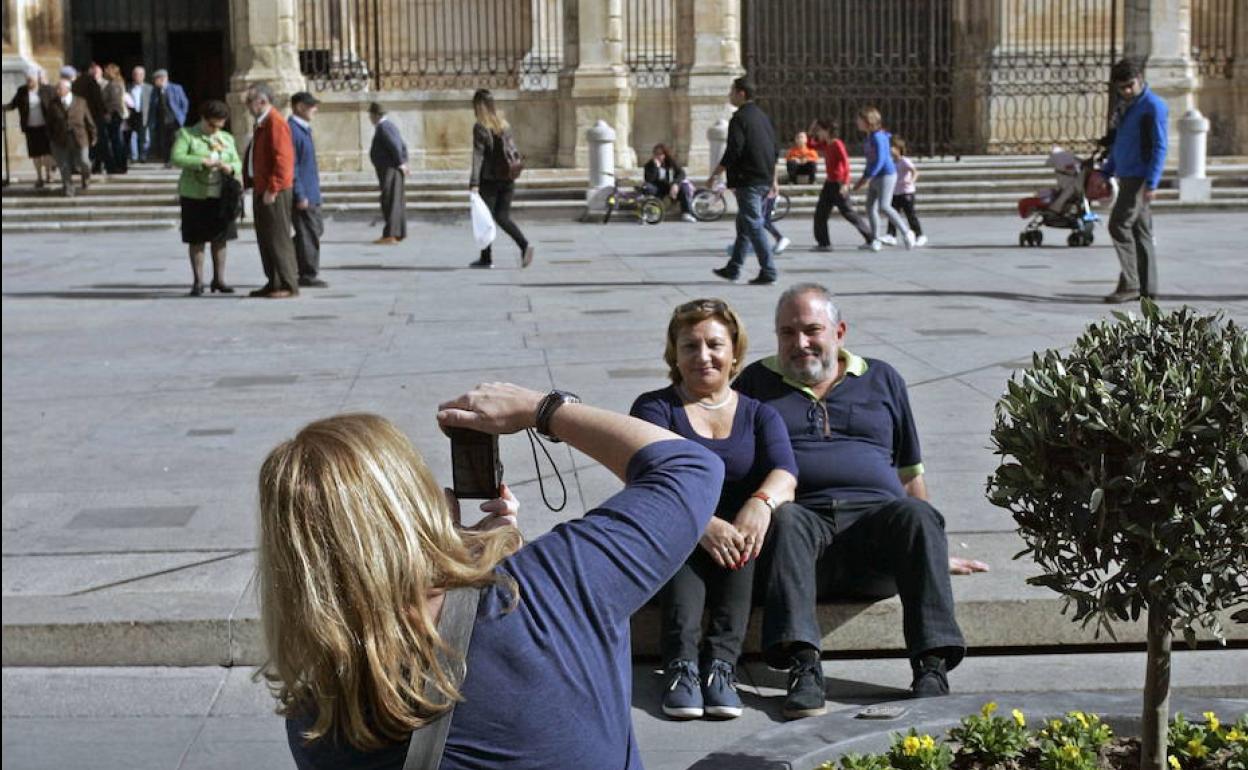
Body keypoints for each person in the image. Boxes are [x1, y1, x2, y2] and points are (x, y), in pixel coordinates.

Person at [258, 384, 723, 768]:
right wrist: (543, 409)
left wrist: (472, 564)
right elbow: (689, 468)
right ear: (414, 506)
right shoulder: (551, 589)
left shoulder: (316, 711)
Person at [733, 283, 971, 719]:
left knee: (919, 515)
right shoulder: (754, 383)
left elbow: (910, 473)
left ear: (839, 332)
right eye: (787, 333)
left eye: (811, 330)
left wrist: (934, 547)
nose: (800, 343)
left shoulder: (882, 378)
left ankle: (931, 668)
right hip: (800, 544)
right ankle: (804, 667)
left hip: (876, 540)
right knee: (786, 519)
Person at [631, 299, 797, 720]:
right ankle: (681, 666)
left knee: (745, 536)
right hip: (676, 527)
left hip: (738, 546)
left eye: (714, 345)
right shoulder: (655, 408)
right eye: (690, 346)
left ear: (735, 352)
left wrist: (759, 504)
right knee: (684, 534)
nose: (703, 356)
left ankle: (721, 665)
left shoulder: (759, 413)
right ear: (675, 354)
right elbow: (651, 479)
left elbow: (786, 471)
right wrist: (701, 523)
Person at [1101, 58, 1167, 304]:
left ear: (1140, 79)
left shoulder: (1153, 106)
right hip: (1126, 173)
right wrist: (1107, 171)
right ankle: (1148, 287)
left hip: (1138, 178)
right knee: (1141, 231)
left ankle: (1131, 282)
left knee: (1118, 225)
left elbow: (1160, 146)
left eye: (1130, 85)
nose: (1127, 91)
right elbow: (1121, 143)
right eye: (1122, 87)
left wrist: (1152, 182)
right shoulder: (1128, 106)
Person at [710, 77, 782, 286]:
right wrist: (774, 179)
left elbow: (734, 150)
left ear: (741, 93)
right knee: (744, 224)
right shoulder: (763, 117)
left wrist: (716, 173)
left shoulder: (739, 118)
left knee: (753, 224)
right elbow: (774, 151)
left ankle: (768, 270)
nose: (730, 95)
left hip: (748, 180)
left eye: (732, 91)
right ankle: (734, 268)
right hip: (763, 178)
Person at [171, 99, 242, 296]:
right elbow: (177, 157)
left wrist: (231, 167)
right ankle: (198, 281)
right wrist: (201, 161)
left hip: (221, 194)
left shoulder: (226, 138)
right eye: (211, 125)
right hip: (195, 194)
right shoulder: (187, 134)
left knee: (221, 238)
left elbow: (237, 161)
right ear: (203, 119)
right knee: (197, 238)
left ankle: (219, 279)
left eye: (219, 126)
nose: (214, 130)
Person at [242, 82, 299, 299]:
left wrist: (273, 188)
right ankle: (273, 280)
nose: (247, 105)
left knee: (277, 237)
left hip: (273, 190)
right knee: (265, 237)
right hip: (261, 187)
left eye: (249, 101)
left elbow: (283, 160)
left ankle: (288, 283)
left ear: (262, 101)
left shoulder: (276, 123)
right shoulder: (262, 123)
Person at [468, 89, 533, 268]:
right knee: (502, 216)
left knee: (485, 219)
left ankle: (486, 258)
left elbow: (478, 156)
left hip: (489, 180)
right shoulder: (504, 124)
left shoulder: (480, 127)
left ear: (478, 106)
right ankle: (524, 245)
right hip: (508, 177)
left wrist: (474, 182)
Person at [851, 106, 914, 252]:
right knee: (870, 206)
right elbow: (870, 160)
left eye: (859, 120)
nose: (857, 122)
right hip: (875, 175)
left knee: (884, 206)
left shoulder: (879, 137)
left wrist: (869, 176)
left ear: (868, 121)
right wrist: (864, 177)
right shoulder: (869, 137)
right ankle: (875, 239)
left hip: (886, 174)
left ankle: (907, 232)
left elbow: (881, 159)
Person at [807, 118, 873, 252]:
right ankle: (824, 243)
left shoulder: (838, 144)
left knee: (848, 213)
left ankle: (871, 238)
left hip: (838, 184)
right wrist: (810, 131)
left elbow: (846, 163)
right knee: (820, 214)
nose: (818, 133)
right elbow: (810, 145)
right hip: (829, 183)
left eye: (819, 130)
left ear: (827, 131)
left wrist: (846, 183)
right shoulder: (827, 144)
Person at [289, 91, 327, 288]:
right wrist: (300, 194)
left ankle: (289, 260)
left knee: (315, 230)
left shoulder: (303, 129)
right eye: (311, 106)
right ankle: (307, 273)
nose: (315, 110)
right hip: (304, 193)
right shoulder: (292, 129)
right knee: (308, 232)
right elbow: (292, 165)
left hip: (312, 191)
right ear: (299, 107)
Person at [5, 66, 55, 189]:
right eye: (27, 80)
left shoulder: (47, 90)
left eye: (31, 80)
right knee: (35, 154)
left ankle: (49, 173)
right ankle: (39, 177)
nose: (29, 83)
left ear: (37, 79)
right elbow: (13, 104)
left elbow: (55, 104)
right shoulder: (22, 91)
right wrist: (3, 107)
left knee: (48, 153)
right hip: (31, 128)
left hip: (45, 127)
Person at [45, 77, 96, 197]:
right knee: (64, 165)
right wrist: (51, 138)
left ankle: (86, 176)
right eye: (57, 88)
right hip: (60, 139)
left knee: (84, 162)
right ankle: (68, 188)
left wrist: (93, 135)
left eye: (59, 88)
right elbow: (49, 123)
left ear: (68, 89)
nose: (57, 90)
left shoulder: (80, 101)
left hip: (79, 137)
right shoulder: (53, 104)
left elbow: (89, 120)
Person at [368, 102, 408, 245]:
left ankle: (390, 235)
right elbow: (402, 145)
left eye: (370, 115)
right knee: (395, 200)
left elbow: (395, 146)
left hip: (390, 170)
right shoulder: (388, 126)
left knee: (389, 200)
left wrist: (400, 163)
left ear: (375, 115)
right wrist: (403, 162)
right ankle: (398, 232)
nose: (370, 118)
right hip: (392, 168)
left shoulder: (384, 128)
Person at [883, 136, 926, 247]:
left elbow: (915, 172)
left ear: (898, 149)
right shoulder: (891, 162)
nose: (890, 149)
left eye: (893, 147)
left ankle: (920, 235)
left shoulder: (905, 161)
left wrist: (911, 181)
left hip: (906, 193)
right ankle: (891, 235)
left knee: (910, 215)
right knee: (893, 215)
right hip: (895, 192)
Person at [642, 143, 696, 223]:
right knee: (648, 188)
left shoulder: (671, 162)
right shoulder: (649, 165)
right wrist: (656, 167)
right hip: (658, 187)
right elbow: (649, 179)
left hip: (671, 186)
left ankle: (686, 213)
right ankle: (653, 211)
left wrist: (675, 184)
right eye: (655, 154)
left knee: (684, 188)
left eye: (660, 154)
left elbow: (681, 173)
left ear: (665, 155)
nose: (658, 156)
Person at [72, 62, 110, 174]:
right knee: (99, 141)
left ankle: (80, 165)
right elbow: (97, 99)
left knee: (83, 142)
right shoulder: (91, 82)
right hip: (94, 115)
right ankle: (99, 165)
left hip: (80, 115)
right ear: (89, 70)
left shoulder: (76, 83)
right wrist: (104, 112)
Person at [150, 69, 189, 165]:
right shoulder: (155, 91)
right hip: (162, 120)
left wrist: (182, 115)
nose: (154, 82)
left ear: (163, 79)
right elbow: (153, 106)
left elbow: (184, 103)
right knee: (165, 140)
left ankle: (175, 159)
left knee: (174, 139)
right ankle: (167, 160)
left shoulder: (176, 88)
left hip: (174, 119)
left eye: (156, 79)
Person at [100, 63, 129, 174]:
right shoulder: (112, 83)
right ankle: (119, 165)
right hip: (114, 114)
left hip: (115, 115)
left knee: (117, 141)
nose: (105, 72)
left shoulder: (115, 84)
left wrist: (109, 112)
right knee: (115, 140)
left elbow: (116, 101)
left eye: (107, 70)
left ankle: (120, 165)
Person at [127, 65, 154, 162]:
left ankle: (143, 156)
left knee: (145, 137)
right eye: (136, 74)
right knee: (133, 136)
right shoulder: (128, 87)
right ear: (133, 76)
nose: (138, 76)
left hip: (144, 115)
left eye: (140, 74)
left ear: (144, 76)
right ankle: (134, 157)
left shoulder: (150, 88)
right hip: (132, 115)